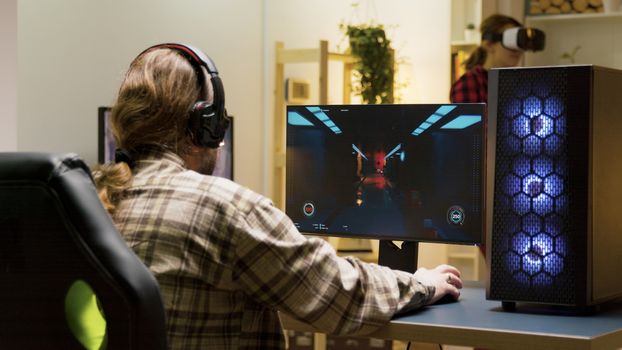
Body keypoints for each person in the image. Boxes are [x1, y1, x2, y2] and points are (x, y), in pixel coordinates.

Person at [93, 43, 462, 349]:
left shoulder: (93, 202)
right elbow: (337, 292)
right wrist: (422, 284)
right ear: (205, 125)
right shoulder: (226, 207)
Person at [450, 14, 524, 103]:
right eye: (510, 41)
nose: (517, 50)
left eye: (520, 43)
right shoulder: (468, 84)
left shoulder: (518, 83)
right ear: (488, 44)